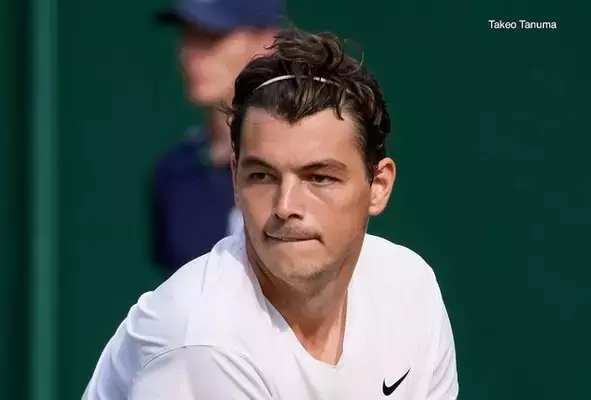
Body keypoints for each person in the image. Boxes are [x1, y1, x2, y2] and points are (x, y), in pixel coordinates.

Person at [83, 27, 459, 399]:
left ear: (378, 186)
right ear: (236, 179)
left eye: (320, 177)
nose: (285, 206)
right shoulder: (202, 343)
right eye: (262, 176)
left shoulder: (410, 290)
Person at [152, 0, 281, 276]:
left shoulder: (305, 164)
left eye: (212, 36)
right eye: (188, 36)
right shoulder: (173, 173)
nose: (189, 54)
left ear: (266, 42)